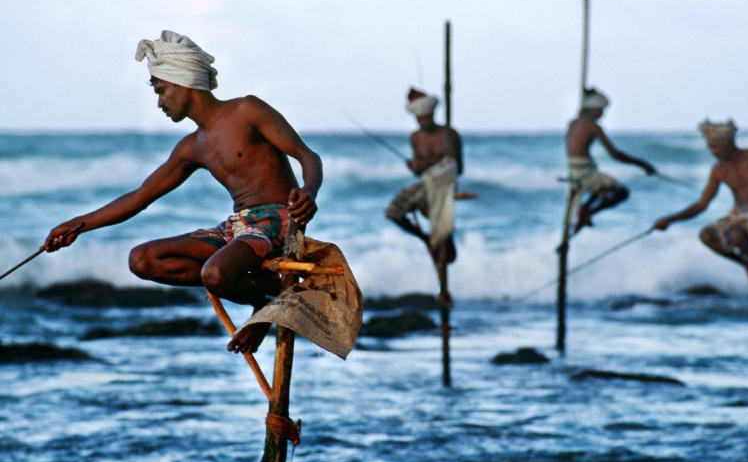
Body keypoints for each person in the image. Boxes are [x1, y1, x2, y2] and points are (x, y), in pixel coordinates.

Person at [42, 30, 323, 354]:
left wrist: (309, 192)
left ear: (183, 82)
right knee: (143, 259)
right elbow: (138, 198)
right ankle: (270, 293)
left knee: (215, 273)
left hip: (279, 220)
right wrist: (77, 225)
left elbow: (306, 155)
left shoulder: (247, 111)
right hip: (238, 226)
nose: (160, 102)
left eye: (161, 91)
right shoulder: (191, 147)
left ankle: (265, 307)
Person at [652, 119, 748, 301]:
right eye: (710, 148)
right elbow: (701, 205)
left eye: (716, 147)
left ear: (728, 144)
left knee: (737, 235)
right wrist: (669, 219)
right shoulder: (719, 170)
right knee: (706, 235)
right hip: (738, 215)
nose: (713, 152)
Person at [385, 87, 461, 262]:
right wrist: (414, 166)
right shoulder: (415, 138)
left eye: (425, 117)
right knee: (393, 212)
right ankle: (425, 237)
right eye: (420, 118)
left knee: (421, 202)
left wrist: (429, 165)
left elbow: (457, 166)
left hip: (445, 184)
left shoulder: (449, 134)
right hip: (425, 184)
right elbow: (419, 171)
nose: (422, 121)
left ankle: (442, 240)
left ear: (432, 114)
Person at [566, 87, 656, 233]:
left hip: (574, 170)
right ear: (594, 108)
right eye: (601, 109)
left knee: (601, 187)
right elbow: (614, 154)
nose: (603, 113)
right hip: (584, 172)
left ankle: (585, 210)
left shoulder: (573, 123)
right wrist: (642, 164)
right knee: (621, 192)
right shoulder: (593, 126)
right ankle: (588, 211)